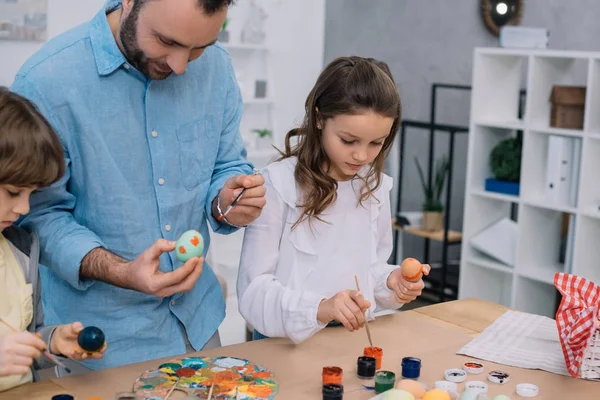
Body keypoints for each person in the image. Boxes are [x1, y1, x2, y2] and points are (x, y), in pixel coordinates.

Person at [10, 0, 265, 374]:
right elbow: (40, 216)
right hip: (98, 347)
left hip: (197, 324)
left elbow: (225, 165)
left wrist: (226, 200)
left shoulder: (217, 68)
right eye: (166, 41)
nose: (179, 66)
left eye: (197, 49)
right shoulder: (46, 83)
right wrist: (122, 272)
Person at [237, 56, 430, 343]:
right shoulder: (277, 185)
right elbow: (253, 292)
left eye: (376, 143)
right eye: (348, 140)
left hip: (348, 343)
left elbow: (369, 268)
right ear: (318, 119)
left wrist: (391, 281)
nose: (362, 156)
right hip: (281, 346)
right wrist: (320, 309)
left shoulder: (373, 187)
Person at [0, 88, 106, 391]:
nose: (23, 209)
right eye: (12, 192)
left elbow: (24, 341)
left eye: (31, 194)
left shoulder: (19, 249)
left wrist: (52, 341)